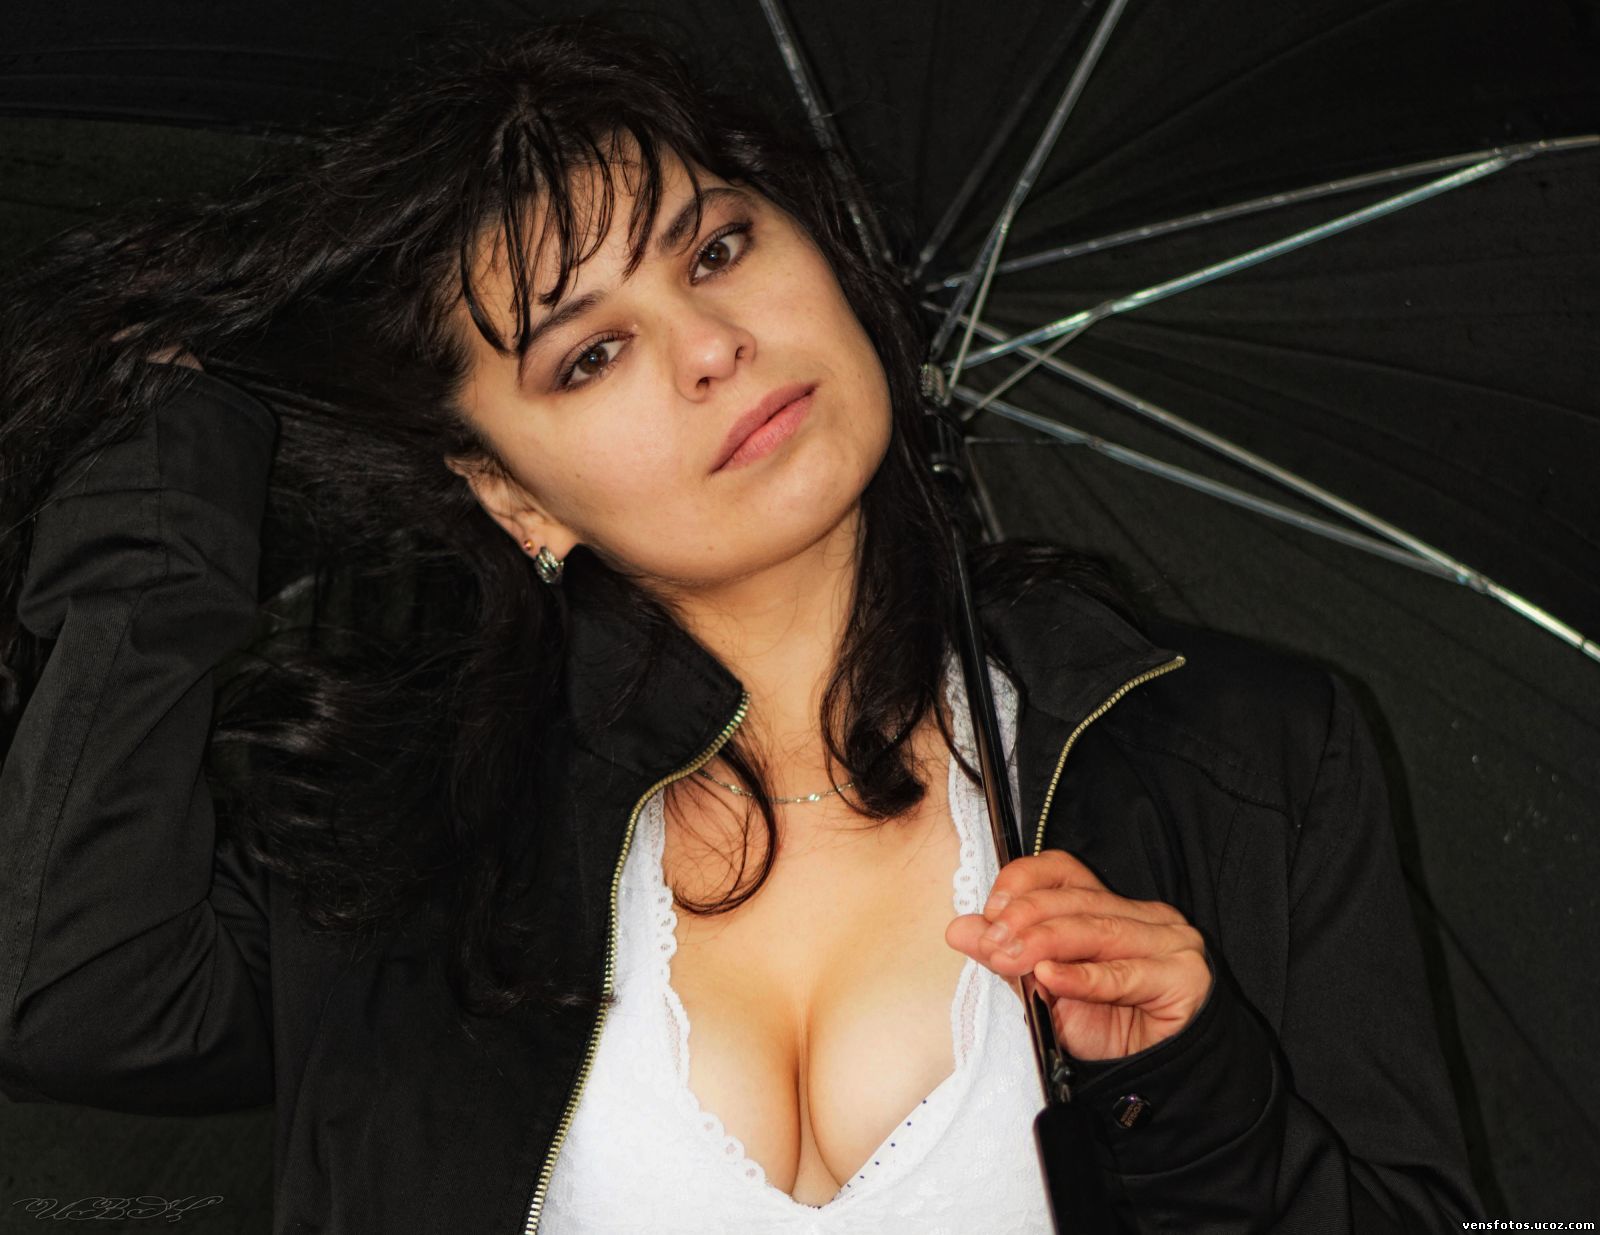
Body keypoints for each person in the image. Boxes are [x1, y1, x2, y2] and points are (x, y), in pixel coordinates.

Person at [0, 18, 1480, 1233]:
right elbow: (70, 988)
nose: (712, 347)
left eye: (713, 250)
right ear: (511, 495)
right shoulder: (411, 842)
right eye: (591, 355)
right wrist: (179, 424)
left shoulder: (1246, 757)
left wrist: (1196, 1093)